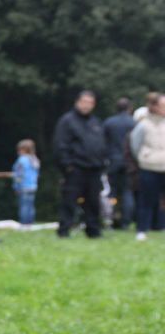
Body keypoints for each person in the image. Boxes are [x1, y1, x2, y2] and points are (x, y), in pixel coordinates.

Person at [53, 90, 107, 238]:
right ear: (77, 102)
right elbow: (60, 145)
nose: (86, 105)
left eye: (90, 102)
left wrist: (102, 163)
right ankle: (64, 231)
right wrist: (67, 166)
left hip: (94, 169)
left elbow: (101, 145)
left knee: (93, 203)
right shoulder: (67, 121)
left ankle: (93, 231)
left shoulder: (96, 122)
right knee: (69, 201)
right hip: (75, 168)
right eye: (84, 102)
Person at [129, 93, 165, 241]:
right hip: (149, 167)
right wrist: (145, 158)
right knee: (146, 201)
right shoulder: (143, 124)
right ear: (154, 107)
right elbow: (135, 146)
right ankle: (142, 230)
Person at [103, 97, 136, 229]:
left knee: (111, 192)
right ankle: (125, 222)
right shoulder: (134, 123)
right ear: (130, 108)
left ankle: (109, 220)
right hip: (129, 162)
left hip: (112, 160)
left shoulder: (109, 123)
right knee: (128, 192)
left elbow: (102, 142)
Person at [12, 139, 40, 227]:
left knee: (23, 206)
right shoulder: (34, 159)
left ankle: (24, 223)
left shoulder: (22, 160)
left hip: (23, 186)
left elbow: (19, 175)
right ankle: (30, 222)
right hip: (33, 186)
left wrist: (16, 186)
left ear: (24, 150)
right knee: (31, 206)